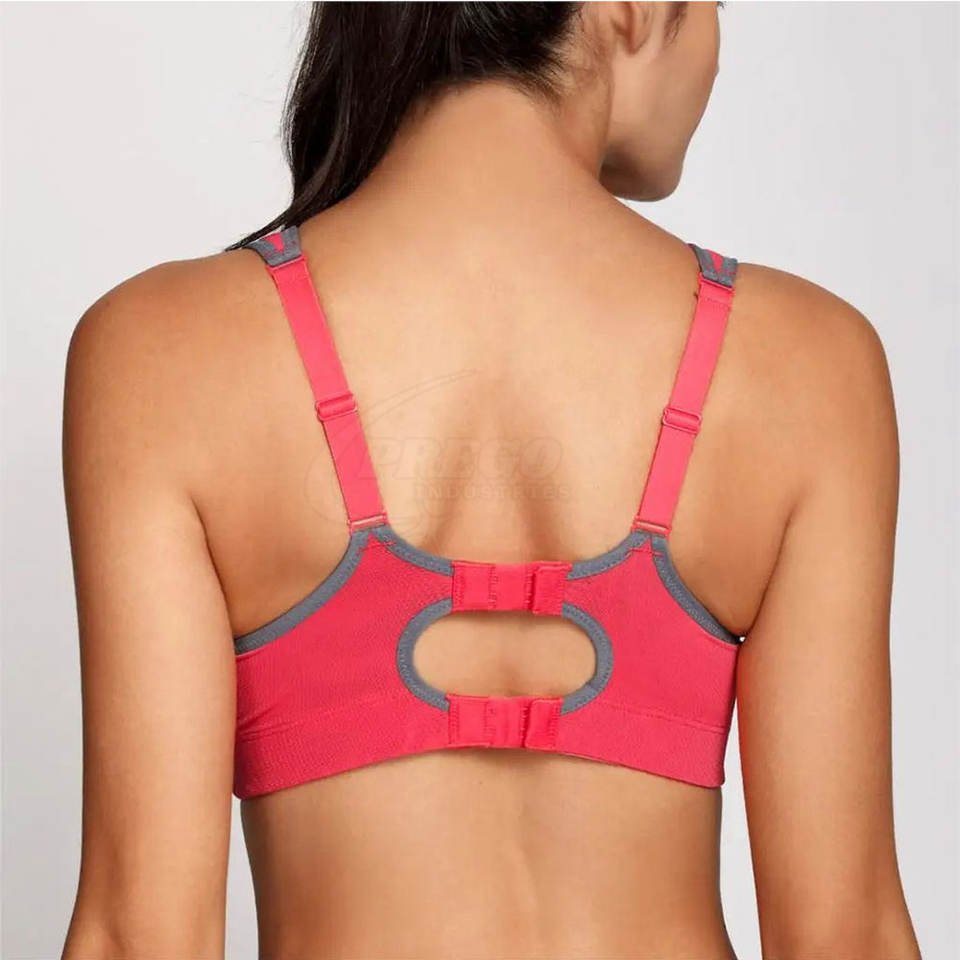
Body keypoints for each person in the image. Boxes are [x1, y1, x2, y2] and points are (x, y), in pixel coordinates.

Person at [61, 3, 921, 958]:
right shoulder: (806, 362)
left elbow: (139, 936)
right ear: (627, 8)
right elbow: (847, 937)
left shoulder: (163, 352)